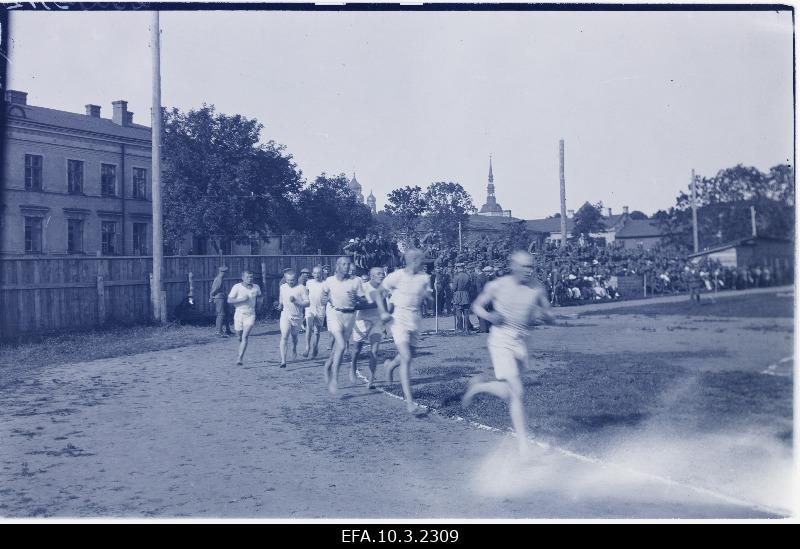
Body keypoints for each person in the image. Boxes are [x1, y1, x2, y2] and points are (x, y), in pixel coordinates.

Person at [463, 251, 555, 457]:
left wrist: (546, 318)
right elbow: (476, 306)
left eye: (531, 266)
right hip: (501, 339)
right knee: (517, 392)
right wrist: (489, 316)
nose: (529, 271)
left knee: (511, 392)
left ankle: (480, 386)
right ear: (513, 266)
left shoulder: (536, 288)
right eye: (524, 267)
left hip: (522, 340)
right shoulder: (498, 285)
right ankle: (524, 449)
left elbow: (548, 313)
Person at [376, 248, 433, 414]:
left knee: (408, 355)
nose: (424, 263)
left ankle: (390, 365)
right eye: (422, 260)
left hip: (415, 319)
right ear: (413, 261)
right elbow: (379, 292)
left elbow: (429, 303)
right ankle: (410, 402)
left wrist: (428, 298)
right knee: (407, 358)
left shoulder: (424, 278)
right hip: (398, 318)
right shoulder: (397, 276)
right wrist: (383, 312)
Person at [321, 256, 362, 394]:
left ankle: (327, 365)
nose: (347, 266)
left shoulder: (356, 281)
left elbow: (362, 299)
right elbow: (323, 297)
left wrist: (356, 298)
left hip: (350, 316)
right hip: (335, 314)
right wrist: (324, 299)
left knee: (339, 348)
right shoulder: (330, 281)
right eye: (344, 264)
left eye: (348, 264)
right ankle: (335, 380)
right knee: (342, 346)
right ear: (337, 266)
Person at [350, 267, 388, 389]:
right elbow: (356, 306)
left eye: (383, 273)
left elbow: (385, 305)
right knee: (356, 350)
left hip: (377, 321)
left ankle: (371, 378)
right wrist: (372, 303)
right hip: (362, 320)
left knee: (375, 351)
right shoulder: (363, 287)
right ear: (371, 276)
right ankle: (353, 367)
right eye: (379, 274)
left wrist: (384, 323)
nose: (382, 276)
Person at [227, 270, 262, 366]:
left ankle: (240, 358)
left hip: (250, 314)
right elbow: (229, 300)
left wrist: (259, 306)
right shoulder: (237, 287)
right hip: (239, 314)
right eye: (248, 277)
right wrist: (241, 299)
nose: (250, 279)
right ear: (243, 277)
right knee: (239, 336)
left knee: (245, 336)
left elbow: (259, 297)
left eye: (251, 277)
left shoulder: (256, 287)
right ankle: (241, 344)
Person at [278, 270, 310, 369]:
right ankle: (283, 361)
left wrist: (296, 301)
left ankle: (294, 348)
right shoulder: (282, 287)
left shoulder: (302, 288)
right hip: (285, 315)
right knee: (284, 336)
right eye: (288, 280)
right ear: (285, 279)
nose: (290, 282)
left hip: (297, 317)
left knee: (294, 337)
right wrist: (280, 304)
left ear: (296, 279)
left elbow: (307, 303)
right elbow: (281, 298)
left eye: (292, 280)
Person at [304, 265, 326, 358]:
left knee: (317, 331)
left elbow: (328, 295)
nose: (317, 275)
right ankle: (307, 347)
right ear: (312, 274)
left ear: (322, 274)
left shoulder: (325, 284)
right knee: (309, 326)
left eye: (319, 273)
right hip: (310, 308)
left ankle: (315, 347)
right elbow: (306, 293)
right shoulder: (309, 282)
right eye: (315, 273)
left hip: (320, 309)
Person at [209, 265, 233, 336]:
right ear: (220, 272)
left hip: (224, 297)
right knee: (221, 314)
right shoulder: (218, 279)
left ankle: (227, 330)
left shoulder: (222, 279)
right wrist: (211, 297)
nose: (225, 273)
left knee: (227, 314)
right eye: (223, 272)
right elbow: (214, 290)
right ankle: (218, 331)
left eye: (225, 272)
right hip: (219, 298)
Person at [451, 263, 472, 335]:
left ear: (457, 268)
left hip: (458, 295)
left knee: (458, 312)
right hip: (466, 295)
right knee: (466, 313)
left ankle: (460, 328)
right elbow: (470, 286)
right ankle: (467, 329)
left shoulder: (456, 276)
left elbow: (454, 288)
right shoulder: (467, 276)